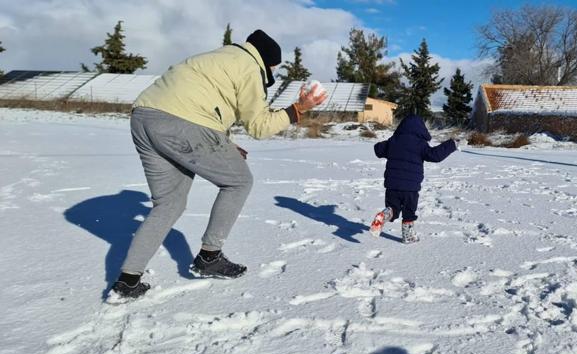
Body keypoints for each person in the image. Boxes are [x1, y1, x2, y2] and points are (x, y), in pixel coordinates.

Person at [111, 29, 327, 300]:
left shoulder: (218, 57)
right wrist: (299, 109)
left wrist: (223, 141)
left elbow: (204, 100)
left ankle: (128, 281)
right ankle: (209, 256)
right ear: (268, 61)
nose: (273, 71)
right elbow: (259, 127)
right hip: (182, 124)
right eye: (274, 66)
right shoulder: (250, 67)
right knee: (239, 181)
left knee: (169, 204)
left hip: (143, 117)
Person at [369, 114, 458, 243]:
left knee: (392, 208)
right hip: (410, 188)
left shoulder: (394, 141)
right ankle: (408, 237)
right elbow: (435, 156)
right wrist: (451, 144)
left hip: (392, 185)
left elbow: (378, 150)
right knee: (409, 212)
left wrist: (387, 143)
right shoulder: (420, 144)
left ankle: (384, 215)